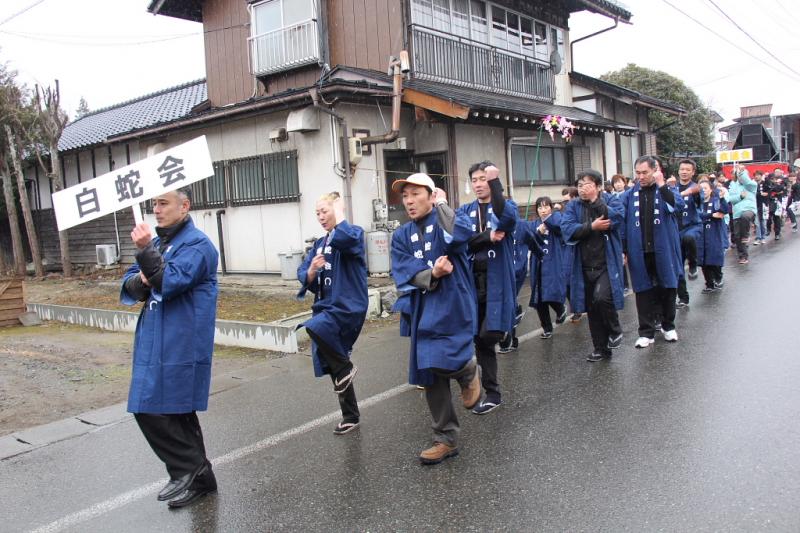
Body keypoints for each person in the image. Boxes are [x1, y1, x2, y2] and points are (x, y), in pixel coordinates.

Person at [120, 187, 219, 508]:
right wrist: (146, 273)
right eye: (154, 205)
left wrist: (148, 257)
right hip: (155, 336)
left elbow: (169, 280)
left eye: (163, 203)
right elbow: (130, 285)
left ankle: (188, 470)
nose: (157, 210)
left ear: (184, 206)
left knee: (151, 407)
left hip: (181, 339)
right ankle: (200, 478)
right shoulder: (160, 243)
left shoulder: (198, 245)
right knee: (175, 411)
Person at [390, 173, 482, 465]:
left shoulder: (445, 218)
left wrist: (443, 205)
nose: (409, 201)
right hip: (423, 305)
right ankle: (445, 438)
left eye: (415, 194)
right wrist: (433, 274)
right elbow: (403, 268)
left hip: (453, 301)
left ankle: (467, 370)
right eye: (405, 196)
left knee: (443, 355)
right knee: (428, 371)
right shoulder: (401, 235)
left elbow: (461, 234)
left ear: (431, 195)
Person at [296, 192, 368, 436]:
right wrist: (312, 272)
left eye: (324, 211)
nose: (320, 217)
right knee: (335, 363)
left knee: (315, 327)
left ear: (337, 210)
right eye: (317, 213)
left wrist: (340, 216)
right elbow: (303, 272)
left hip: (347, 304)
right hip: (328, 306)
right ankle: (350, 416)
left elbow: (346, 238)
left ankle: (346, 369)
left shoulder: (353, 232)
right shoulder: (319, 244)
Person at [458, 161, 518, 415]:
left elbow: (508, 219)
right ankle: (493, 393)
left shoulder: (504, 206)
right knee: (478, 340)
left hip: (497, 282)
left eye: (484, 179)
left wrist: (497, 186)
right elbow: (461, 241)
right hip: (472, 283)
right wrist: (487, 237)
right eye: (475, 180)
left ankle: (503, 331)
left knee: (486, 336)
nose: (479, 184)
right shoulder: (464, 211)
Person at [619, 155, 685, 348]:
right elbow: (622, 224)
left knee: (668, 286)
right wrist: (623, 249)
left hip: (663, 248)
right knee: (642, 289)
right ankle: (646, 331)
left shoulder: (665, 190)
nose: (641, 176)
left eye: (645, 172)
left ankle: (668, 325)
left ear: (655, 171)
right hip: (639, 250)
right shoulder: (629, 195)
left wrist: (662, 185)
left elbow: (678, 206)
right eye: (638, 173)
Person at [561, 170, 625, 362]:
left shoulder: (610, 200)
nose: (582, 189)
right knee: (592, 308)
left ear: (598, 186)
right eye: (579, 185)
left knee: (601, 298)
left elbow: (617, 219)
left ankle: (615, 330)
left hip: (606, 263)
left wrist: (597, 202)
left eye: (587, 185)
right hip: (583, 265)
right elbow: (567, 228)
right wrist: (591, 227)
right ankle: (601, 348)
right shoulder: (573, 206)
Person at [520, 196, 567, 339]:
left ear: (551, 208)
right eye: (540, 207)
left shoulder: (556, 221)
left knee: (551, 290)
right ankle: (546, 327)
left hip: (553, 261)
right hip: (538, 262)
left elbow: (559, 226)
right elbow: (528, 240)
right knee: (539, 296)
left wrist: (555, 213)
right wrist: (538, 232)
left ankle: (560, 309)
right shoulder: (534, 224)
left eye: (546, 207)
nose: (543, 210)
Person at [673, 159, 702, 308]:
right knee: (677, 267)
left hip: (692, 226)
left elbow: (698, 191)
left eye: (687, 169)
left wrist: (686, 192)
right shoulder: (673, 187)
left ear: (692, 172)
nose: (684, 171)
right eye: (682, 169)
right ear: (678, 171)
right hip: (675, 230)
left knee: (689, 238)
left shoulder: (695, 187)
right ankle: (683, 298)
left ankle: (693, 264)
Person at [696, 178, 728, 293]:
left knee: (714, 256)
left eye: (705, 188)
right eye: (701, 188)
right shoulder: (696, 203)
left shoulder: (715, 200)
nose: (703, 190)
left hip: (714, 233)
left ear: (710, 190)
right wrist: (711, 215)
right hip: (700, 234)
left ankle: (718, 277)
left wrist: (722, 197)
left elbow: (724, 210)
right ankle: (709, 283)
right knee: (703, 259)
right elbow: (698, 216)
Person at [728, 162, 758, 264]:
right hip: (737, 212)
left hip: (749, 209)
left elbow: (747, 181)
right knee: (737, 236)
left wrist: (741, 172)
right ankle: (743, 256)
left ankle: (746, 235)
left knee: (745, 217)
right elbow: (731, 199)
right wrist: (740, 197)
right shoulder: (732, 185)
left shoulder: (751, 185)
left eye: (741, 175)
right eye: (737, 175)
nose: (739, 178)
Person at [764, 169, 787, 241]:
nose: (773, 180)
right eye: (771, 179)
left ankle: (777, 233)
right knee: (768, 217)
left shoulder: (780, 184)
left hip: (777, 203)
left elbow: (780, 189)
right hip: (769, 202)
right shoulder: (767, 185)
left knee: (776, 218)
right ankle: (768, 230)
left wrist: (776, 186)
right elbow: (767, 188)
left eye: (774, 179)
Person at [753, 171, 767, 245]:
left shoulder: (765, 183)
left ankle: (763, 237)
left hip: (764, 205)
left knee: (763, 222)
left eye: (758, 175)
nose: (756, 177)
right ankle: (758, 237)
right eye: (755, 175)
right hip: (755, 205)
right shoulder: (753, 184)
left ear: (761, 176)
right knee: (757, 222)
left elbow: (769, 191)